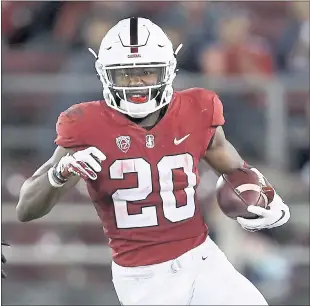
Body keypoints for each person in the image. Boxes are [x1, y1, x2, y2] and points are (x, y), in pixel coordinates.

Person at [16, 17, 290, 305]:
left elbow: (237, 171)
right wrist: (59, 174)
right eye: (125, 74)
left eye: (146, 72)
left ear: (168, 70)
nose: (136, 82)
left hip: (202, 259)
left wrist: (268, 199)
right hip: (142, 277)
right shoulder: (85, 125)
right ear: (106, 75)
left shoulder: (197, 108)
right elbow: (25, 209)